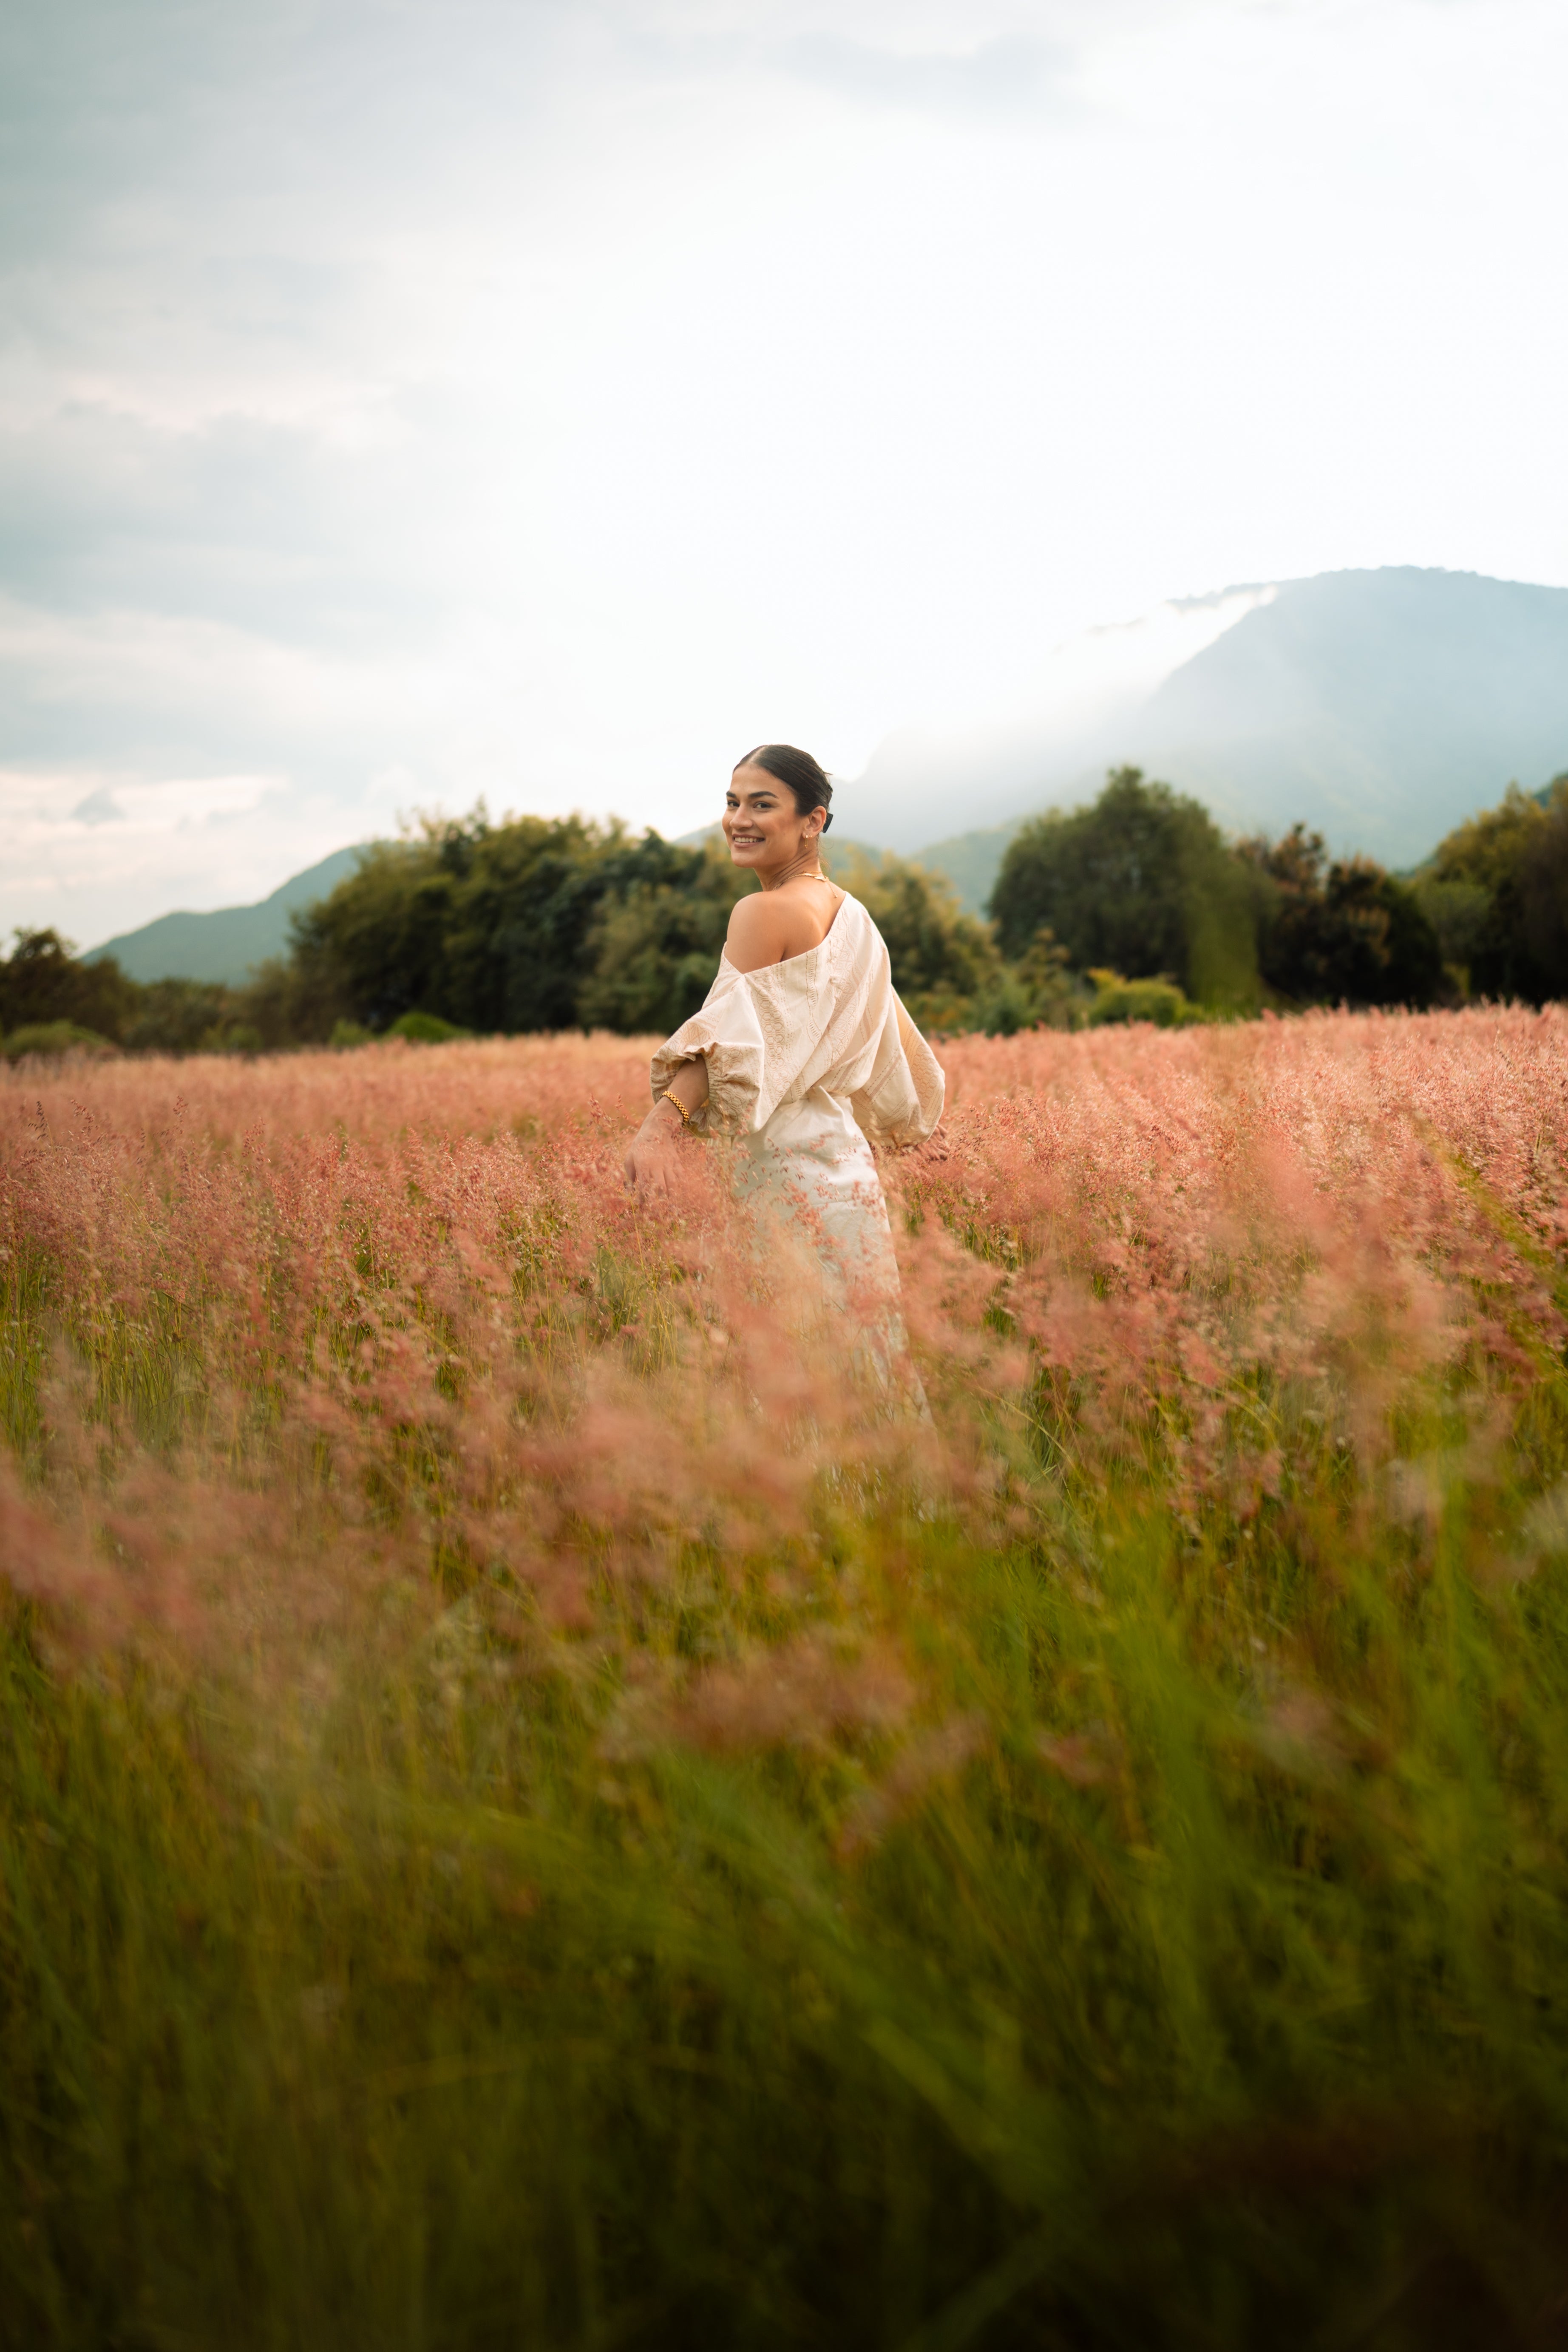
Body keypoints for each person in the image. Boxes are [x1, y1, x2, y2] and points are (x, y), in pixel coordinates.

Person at [624, 743, 944, 1403]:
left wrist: (659, 1129)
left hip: (781, 1163)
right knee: (864, 1354)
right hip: (847, 1169)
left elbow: (728, 1043)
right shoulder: (856, 918)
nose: (739, 818)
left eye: (762, 804)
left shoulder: (761, 913)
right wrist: (912, 1135)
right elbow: (893, 1052)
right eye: (731, 802)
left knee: (792, 1358)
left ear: (812, 820)